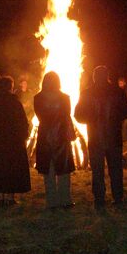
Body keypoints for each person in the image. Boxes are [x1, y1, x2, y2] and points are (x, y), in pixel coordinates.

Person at [75, 66, 127, 209]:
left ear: (94, 77)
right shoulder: (117, 91)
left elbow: (78, 115)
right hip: (113, 137)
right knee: (115, 169)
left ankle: (99, 199)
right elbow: (126, 112)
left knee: (98, 170)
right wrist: (115, 119)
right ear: (107, 76)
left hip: (96, 138)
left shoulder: (87, 93)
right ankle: (118, 197)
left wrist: (92, 119)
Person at [0, 76, 31, 206]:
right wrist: (23, 135)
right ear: (10, 87)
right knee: (10, 169)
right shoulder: (14, 102)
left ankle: (0, 197)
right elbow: (22, 121)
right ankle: (9, 197)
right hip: (12, 142)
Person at [34, 71, 75, 209]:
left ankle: (51, 201)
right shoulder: (65, 98)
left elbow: (39, 116)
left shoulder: (38, 98)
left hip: (45, 136)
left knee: (49, 170)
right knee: (63, 169)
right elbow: (67, 116)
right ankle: (65, 200)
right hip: (61, 136)